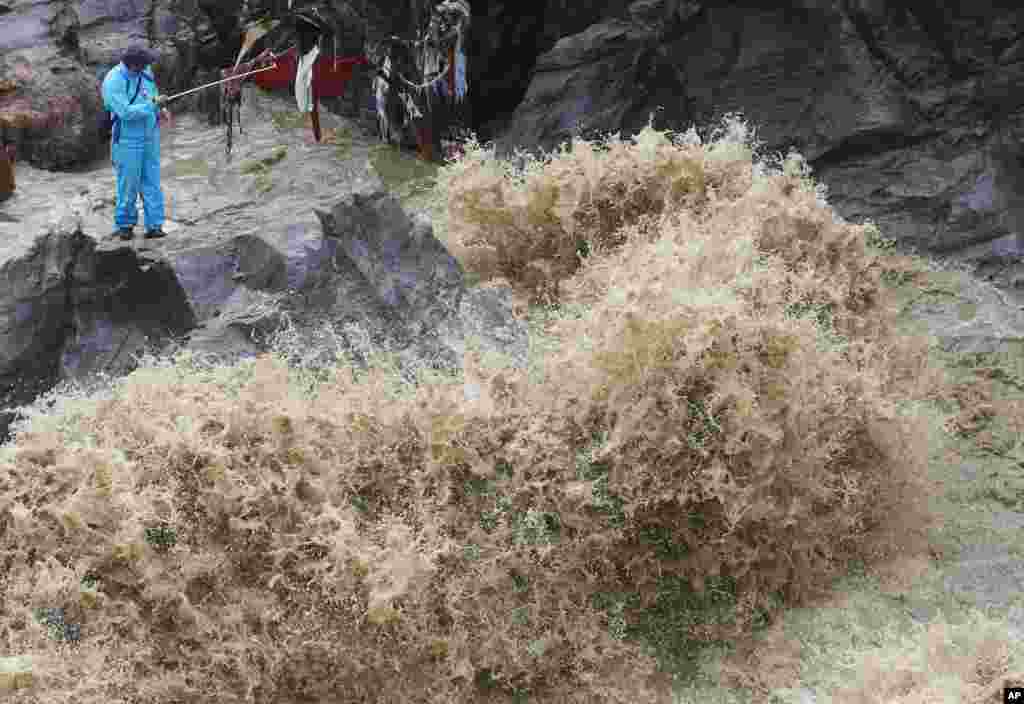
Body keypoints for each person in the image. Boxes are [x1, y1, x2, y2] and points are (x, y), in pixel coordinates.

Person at [101, 45, 170, 241]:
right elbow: (126, 112)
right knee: (128, 183)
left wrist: (160, 109)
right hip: (127, 140)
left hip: (150, 134)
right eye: (144, 64)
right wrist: (153, 105)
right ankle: (125, 226)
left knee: (152, 181)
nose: (148, 66)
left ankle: (154, 226)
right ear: (132, 65)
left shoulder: (145, 72)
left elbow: (151, 94)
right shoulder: (113, 82)